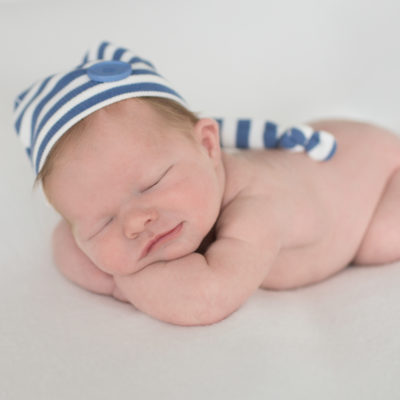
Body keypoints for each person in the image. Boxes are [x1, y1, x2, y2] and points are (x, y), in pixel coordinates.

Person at [13, 41, 400, 326]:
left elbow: (206, 298)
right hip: (333, 152)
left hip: (381, 177)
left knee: (383, 239)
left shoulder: (258, 203)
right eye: (101, 222)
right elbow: (62, 240)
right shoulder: (189, 190)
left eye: (151, 184)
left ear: (208, 145)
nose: (134, 223)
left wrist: (119, 280)